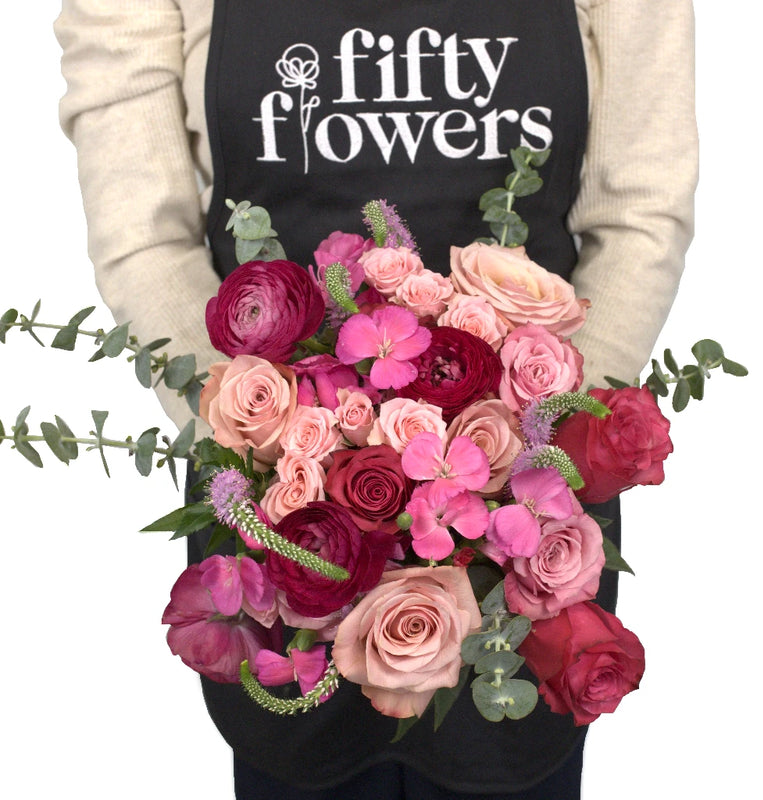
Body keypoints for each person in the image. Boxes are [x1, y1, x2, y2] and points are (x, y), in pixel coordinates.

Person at [54, 2, 697, 798]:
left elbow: (640, 213)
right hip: (287, 532)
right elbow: (142, 233)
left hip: (525, 538)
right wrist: (272, 436)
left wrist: (529, 447)